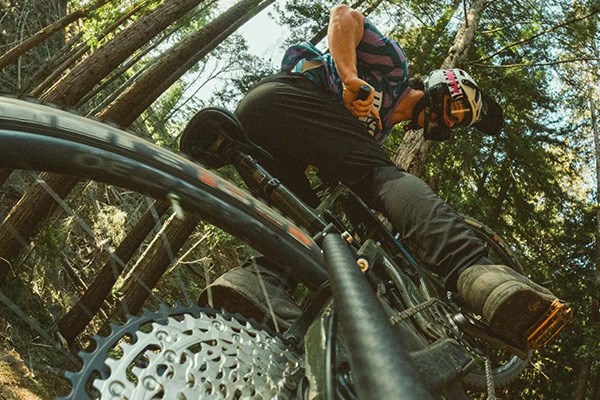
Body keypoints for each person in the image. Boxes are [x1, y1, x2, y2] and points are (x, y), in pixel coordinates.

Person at [199, 4, 571, 347]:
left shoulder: (375, 135)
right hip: (288, 93)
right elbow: (344, 16)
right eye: (456, 110)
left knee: (311, 224)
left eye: (456, 125)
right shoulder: (395, 70)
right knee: (380, 175)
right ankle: (473, 270)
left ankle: (256, 283)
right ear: (442, 85)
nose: (450, 121)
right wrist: (349, 77)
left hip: (257, 129)